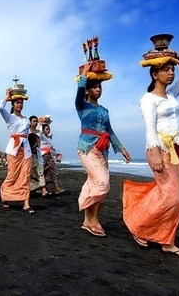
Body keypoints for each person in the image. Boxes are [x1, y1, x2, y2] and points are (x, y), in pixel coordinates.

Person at [122, 44, 179, 259]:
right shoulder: (148, 100)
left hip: (177, 149)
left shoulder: (172, 94)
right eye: (166, 69)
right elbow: (150, 128)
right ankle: (138, 225)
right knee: (170, 196)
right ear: (155, 74)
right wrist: (153, 152)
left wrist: (176, 56)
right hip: (160, 149)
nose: (172, 73)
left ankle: (167, 241)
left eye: (172, 69)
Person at [75, 62, 131, 237]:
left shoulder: (105, 110)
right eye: (95, 87)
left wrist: (121, 148)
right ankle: (87, 210)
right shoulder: (82, 106)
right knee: (102, 183)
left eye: (100, 87)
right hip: (87, 148)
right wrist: (84, 74)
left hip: (103, 149)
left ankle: (91, 221)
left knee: (96, 184)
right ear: (88, 90)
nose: (99, 89)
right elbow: (78, 93)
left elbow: (110, 131)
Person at [0, 85, 34, 214]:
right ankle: (6, 196)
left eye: (21, 103)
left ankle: (26, 203)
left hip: (26, 150)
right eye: (17, 103)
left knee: (25, 176)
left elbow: (30, 133)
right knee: (12, 175)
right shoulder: (9, 117)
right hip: (14, 149)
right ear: (13, 104)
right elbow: (0, 108)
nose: (19, 105)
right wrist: (6, 97)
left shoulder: (25, 119)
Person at [28, 116, 50, 197]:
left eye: (36, 121)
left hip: (37, 154)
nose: (35, 123)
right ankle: (28, 189)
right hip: (28, 154)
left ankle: (44, 190)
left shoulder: (39, 132)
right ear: (30, 122)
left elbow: (39, 141)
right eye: (34, 121)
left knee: (40, 171)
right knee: (28, 173)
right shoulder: (27, 131)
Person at [40, 123, 65, 194]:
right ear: (43, 130)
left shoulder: (47, 138)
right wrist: (42, 123)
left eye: (49, 129)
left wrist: (56, 153)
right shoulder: (41, 137)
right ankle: (42, 188)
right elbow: (40, 132)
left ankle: (56, 188)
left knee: (52, 171)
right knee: (42, 172)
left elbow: (50, 149)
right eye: (47, 129)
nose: (48, 130)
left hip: (49, 156)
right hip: (43, 156)